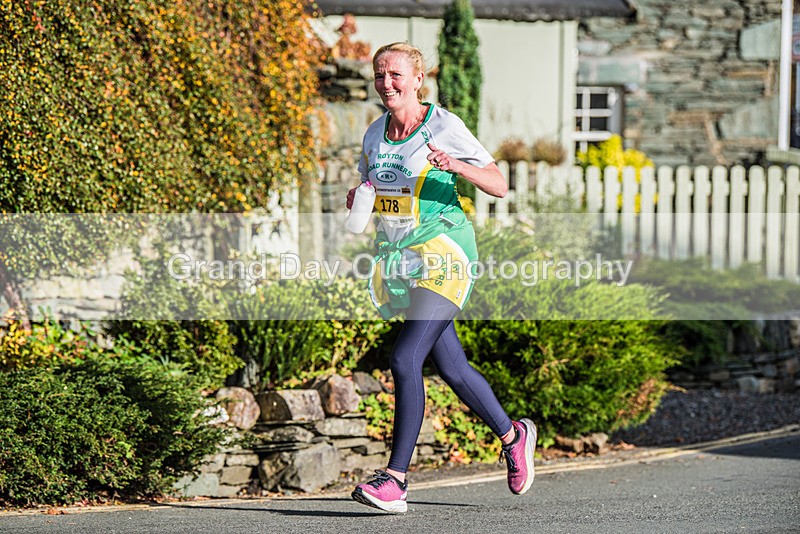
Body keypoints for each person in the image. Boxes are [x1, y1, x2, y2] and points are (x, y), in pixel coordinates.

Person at [346, 42, 536, 514]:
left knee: (405, 357)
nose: (386, 83)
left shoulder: (443, 126)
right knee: (451, 367)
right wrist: (360, 197)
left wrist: (455, 166)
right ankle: (513, 436)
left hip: (445, 252)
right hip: (404, 260)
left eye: (395, 75)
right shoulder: (374, 134)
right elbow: (377, 188)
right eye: (380, 75)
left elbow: (498, 184)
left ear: (418, 79)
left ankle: (395, 480)